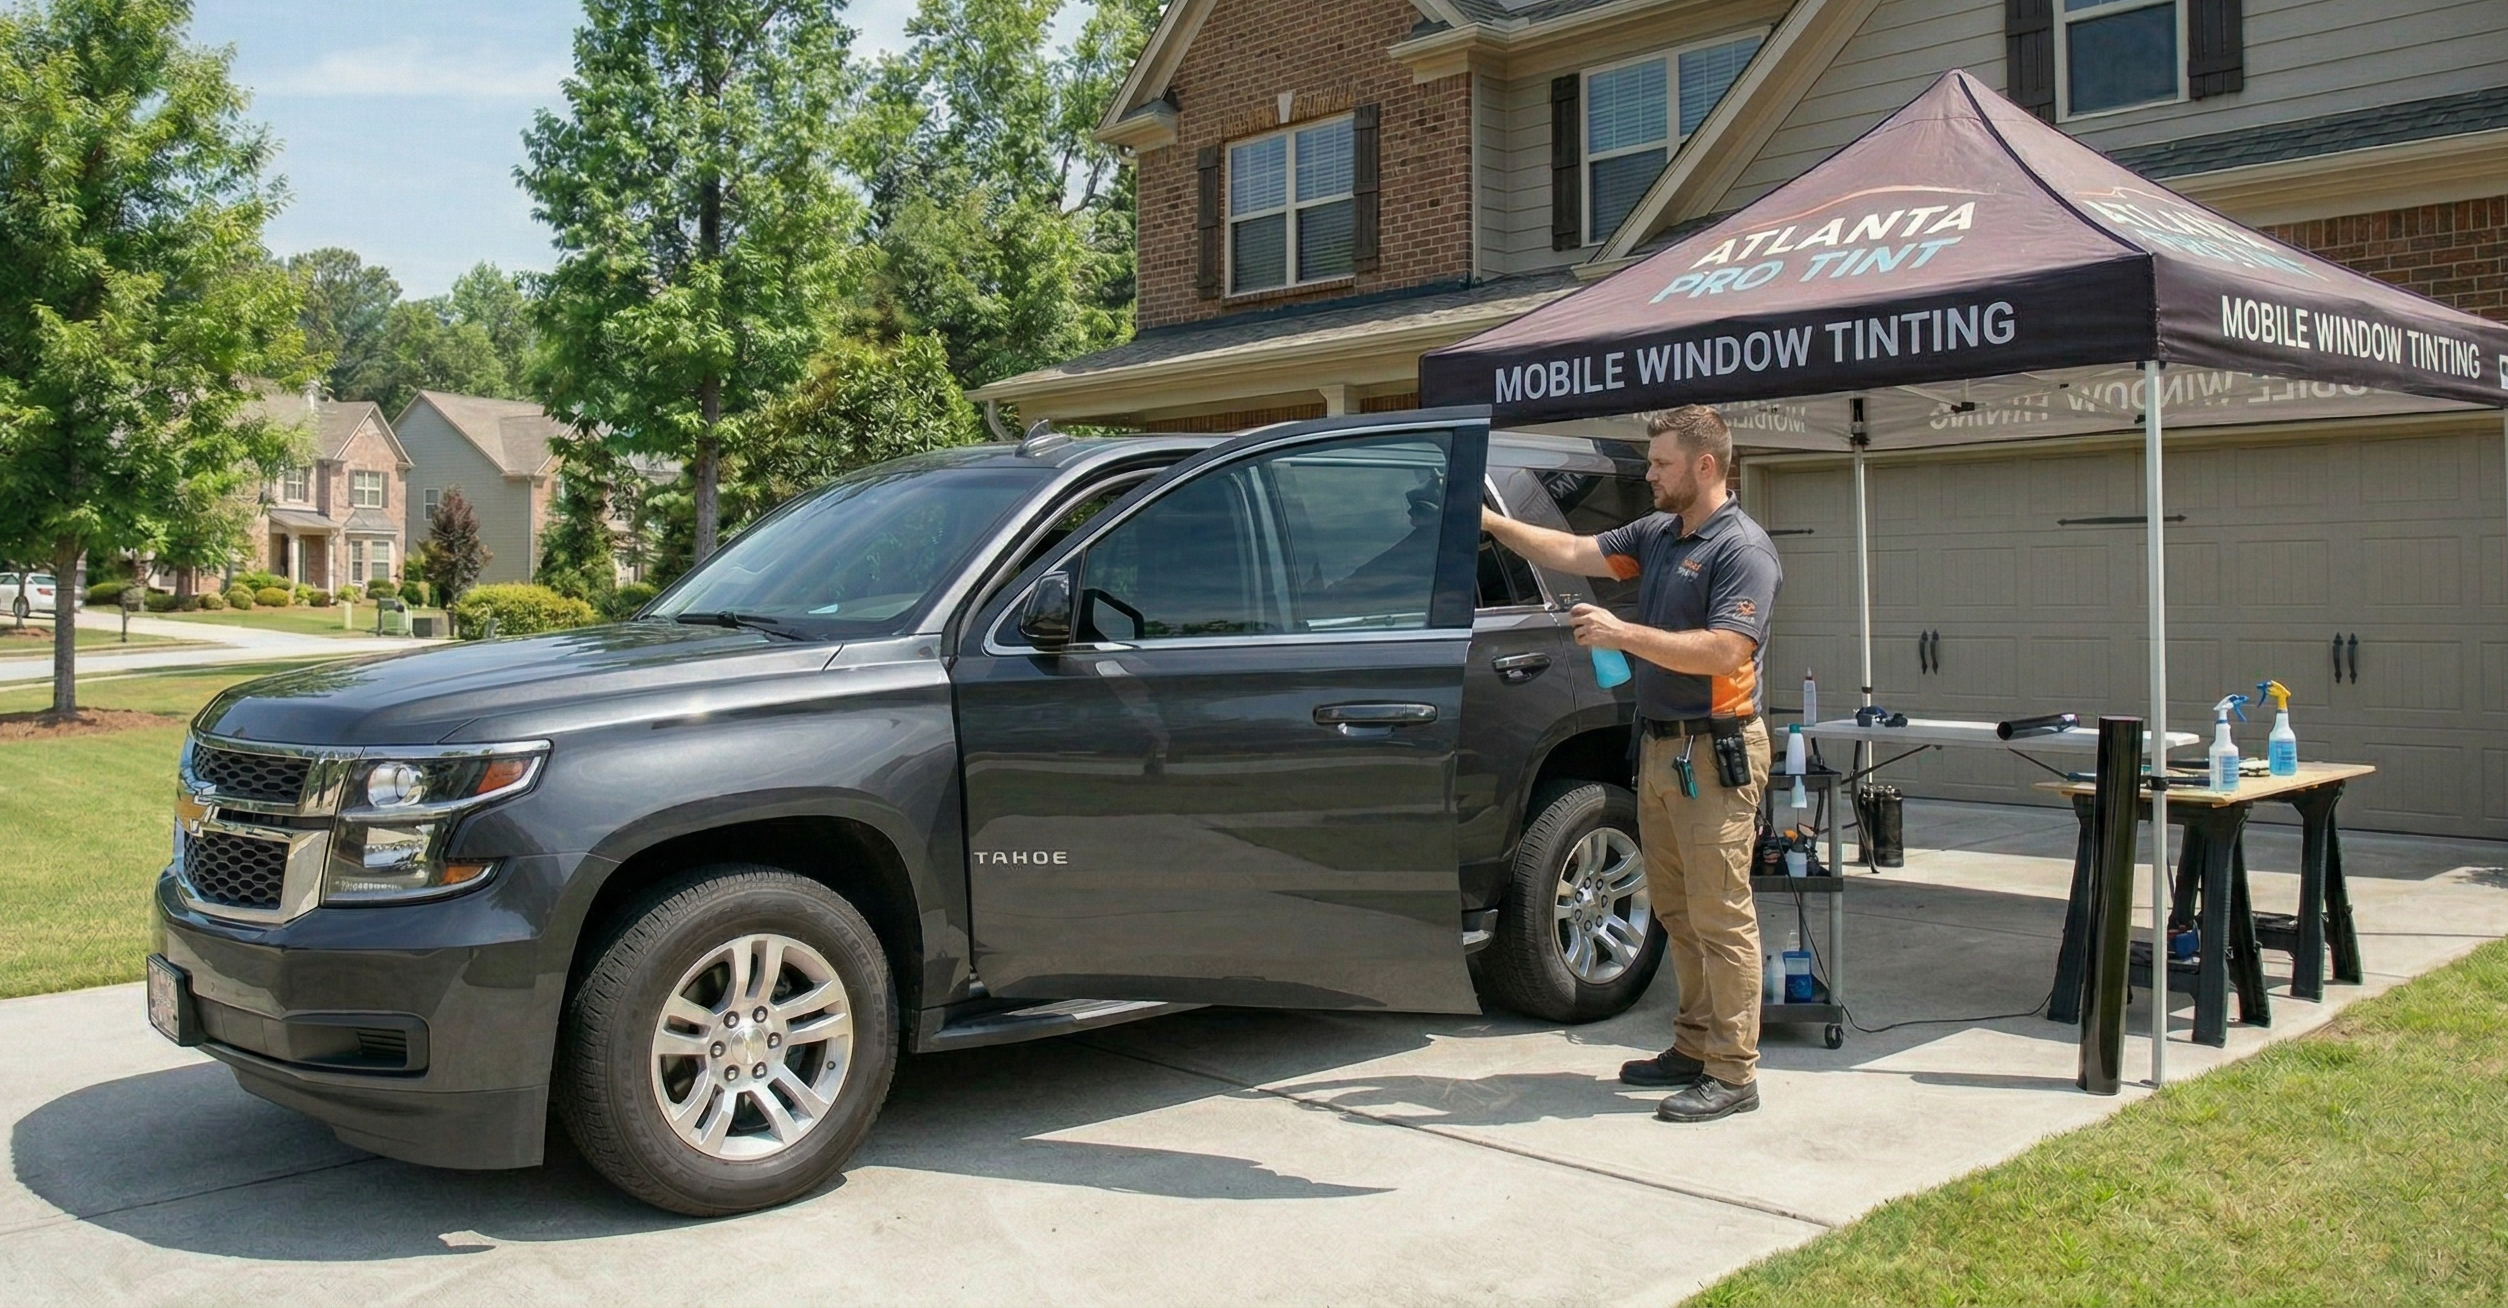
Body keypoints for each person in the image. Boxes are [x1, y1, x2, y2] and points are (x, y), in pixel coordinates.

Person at [1481, 405, 1782, 1122]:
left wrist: (1623, 633)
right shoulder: (1658, 533)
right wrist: (1490, 522)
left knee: (1721, 916)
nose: (1649, 474)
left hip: (1716, 751)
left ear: (1705, 465)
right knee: (1676, 911)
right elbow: (1571, 550)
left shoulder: (1743, 549)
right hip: (1663, 749)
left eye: (1661, 463)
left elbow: (1725, 651)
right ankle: (1694, 1046)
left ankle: (1734, 1073)